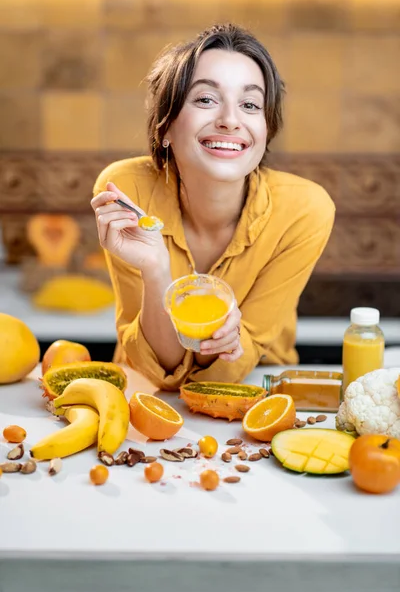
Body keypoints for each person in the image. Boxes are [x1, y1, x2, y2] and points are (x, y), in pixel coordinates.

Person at [91, 24, 335, 391]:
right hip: (143, 402)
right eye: (206, 99)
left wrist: (230, 340)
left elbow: (230, 371)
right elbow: (161, 370)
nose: (230, 120)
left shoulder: (305, 210)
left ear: (266, 129)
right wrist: (155, 269)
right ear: (166, 126)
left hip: (257, 395)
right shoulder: (128, 191)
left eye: (250, 104)